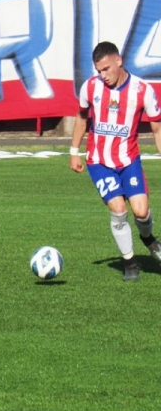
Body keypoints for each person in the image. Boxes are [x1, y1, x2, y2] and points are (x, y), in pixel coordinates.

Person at [69, 40, 161, 281]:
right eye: (99, 70)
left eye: (107, 69)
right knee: (119, 209)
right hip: (99, 161)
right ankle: (130, 263)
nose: (103, 75)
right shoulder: (90, 88)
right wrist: (73, 151)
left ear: (118, 61)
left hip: (128, 160)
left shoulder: (142, 90)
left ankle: (148, 238)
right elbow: (80, 119)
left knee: (141, 212)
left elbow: (157, 128)